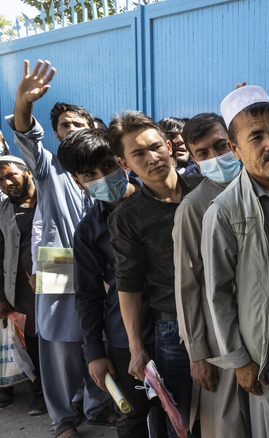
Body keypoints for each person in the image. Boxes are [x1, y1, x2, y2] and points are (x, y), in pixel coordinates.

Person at [5, 59, 112, 438]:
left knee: (94, 337)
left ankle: (97, 406)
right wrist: (23, 103)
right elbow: (25, 133)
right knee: (59, 347)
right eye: (63, 126)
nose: (70, 130)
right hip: (55, 263)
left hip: (96, 264)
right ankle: (63, 419)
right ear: (54, 133)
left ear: (91, 130)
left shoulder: (105, 173)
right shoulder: (48, 168)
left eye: (77, 124)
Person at [199, 85, 269, 437]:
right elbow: (216, 294)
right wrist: (239, 360)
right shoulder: (224, 212)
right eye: (257, 136)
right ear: (234, 148)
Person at [57, 129, 163, 438]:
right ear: (79, 182)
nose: (103, 176)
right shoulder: (88, 231)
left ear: (122, 162)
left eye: (108, 166)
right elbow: (87, 296)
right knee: (130, 416)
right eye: (90, 174)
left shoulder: (161, 200)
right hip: (125, 342)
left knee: (180, 414)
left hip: (174, 330)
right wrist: (94, 353)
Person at [107, 110, 203, 437]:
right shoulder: (128, 217)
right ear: (125, 164)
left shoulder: (207, 190)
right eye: (138, 153)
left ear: (167, 144)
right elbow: (129, 285)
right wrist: (136, 346)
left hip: (229, 315)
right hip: (175, 329)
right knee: (184, 421)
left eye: (156, 146)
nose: (153, 158)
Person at [172, 112, 248, 436]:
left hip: (261, 326)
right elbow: (187, 284)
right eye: (203, 153)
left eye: (220, 146)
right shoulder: (194, 205)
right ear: (192, 158)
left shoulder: (259, 185)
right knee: (226, 423)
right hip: (219, 337)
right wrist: (198, 353)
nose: (215, 157)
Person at [0, 155, 43, 414]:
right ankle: (39, 392)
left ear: (27, 171)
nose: (6, 183)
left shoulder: (49, 201)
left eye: (10, 175)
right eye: (0, 180)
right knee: (32, 341)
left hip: (55, 286)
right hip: (20, 291)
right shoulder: (3, 210)